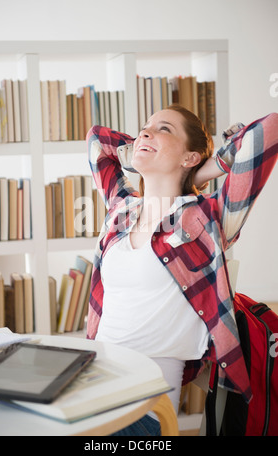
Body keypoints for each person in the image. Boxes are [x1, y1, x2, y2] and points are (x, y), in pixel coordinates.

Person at [86, 104, 278, 436]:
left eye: (164, 129)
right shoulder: (122, 207)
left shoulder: (207, 216)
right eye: (145, 127)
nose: (146, 132)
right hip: (91, 384)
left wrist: (207, 168)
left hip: (142, 404)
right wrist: (151, 147)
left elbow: (269, 130)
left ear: (190, 157)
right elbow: (96, 142)